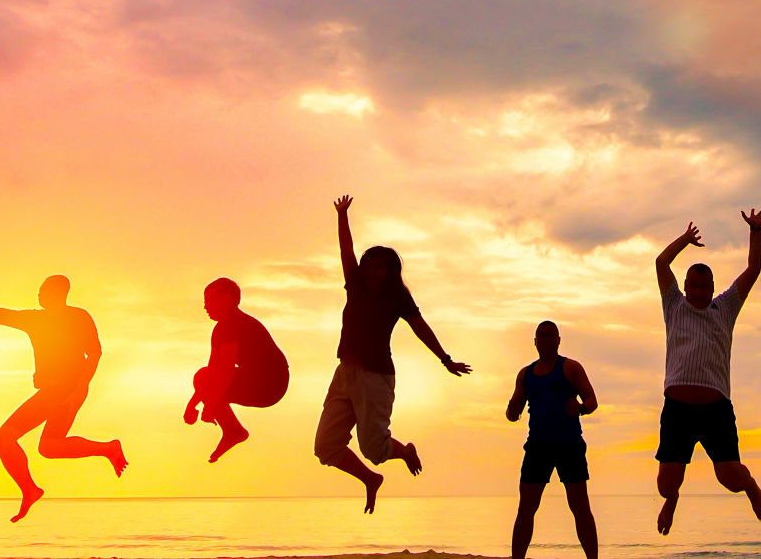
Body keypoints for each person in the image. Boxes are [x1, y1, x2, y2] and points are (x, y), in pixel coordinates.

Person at [313, 195, 471, 513]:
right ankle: (370, 480)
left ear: (389, 271)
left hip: (376, 376)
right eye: (369, 265)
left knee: (374, 448)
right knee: (325, 445)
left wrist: (445, 359)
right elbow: (345, 250)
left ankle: (405, 452)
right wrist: (342, 216)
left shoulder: (397, 297)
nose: (372, 270)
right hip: (345, 373)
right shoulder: (355, 284)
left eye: (379, 267)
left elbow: (421, 328)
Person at [0, 276, 127, 522]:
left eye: (42, 290)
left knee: (3, 439)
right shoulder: (35, 319)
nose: (39, 294)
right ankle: (107, 449)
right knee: (50, 447)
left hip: (63, 389)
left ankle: (30, 490)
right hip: (58, 390)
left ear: (58, 292)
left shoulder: (77, 317)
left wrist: (79, 388)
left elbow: (95, 353)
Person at [652, 210, 761, 535]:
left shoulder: (725, 308)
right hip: (677, 410)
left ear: (712, 288)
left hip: (715, 410)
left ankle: (750, 485)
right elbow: (661, 263)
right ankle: (672, 500)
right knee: (666, 486)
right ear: (685, 286)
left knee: (730, 479)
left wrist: (756, 230)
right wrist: (685, 240)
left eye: (704, 287)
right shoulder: (674, 305)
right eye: (693, 286)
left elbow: (753, 269)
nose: (699, 291)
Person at [506, 320, 599, 559]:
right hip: (537, 447)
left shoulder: (571, 367)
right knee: (526, 508)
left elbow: (591, 400)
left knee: (580, 507)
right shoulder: (525, 374)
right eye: (542, 336)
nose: (546, 339)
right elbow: (512, 412)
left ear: (558, 340)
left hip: (569, 445)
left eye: (551, 335)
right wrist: (512, 409)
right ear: (535, 341)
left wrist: (580, 409)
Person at [184, 277, 290, 462]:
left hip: (271, 383)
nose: (205, 306)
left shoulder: (233, 324)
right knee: (204, 377)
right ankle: (233, 430)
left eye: (210, 300)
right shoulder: (220, 330)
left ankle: (232, 430)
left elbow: (225, 372)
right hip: (257, 381)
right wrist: (192, 404)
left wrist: (210, 404)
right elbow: (212, 372)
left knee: (204, 378)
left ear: (226, 299)